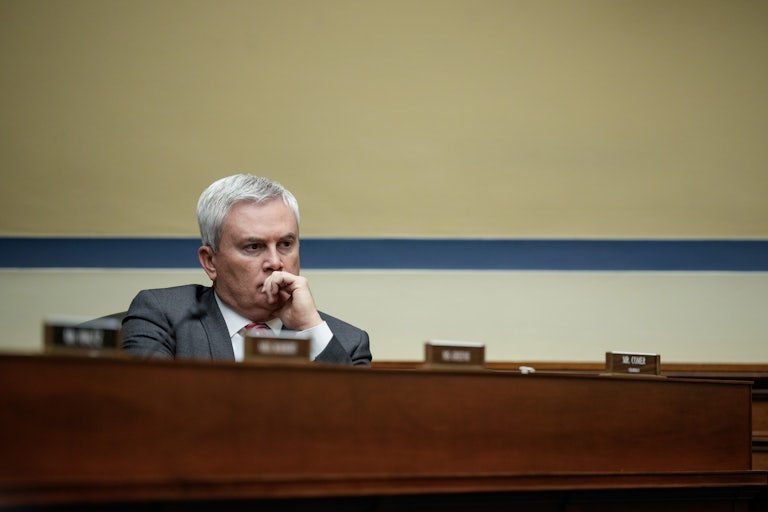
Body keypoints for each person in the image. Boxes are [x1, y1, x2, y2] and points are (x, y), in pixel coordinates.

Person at [121, 174, 372, 366]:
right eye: (254, 247)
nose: (275, 262)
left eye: (285, 244)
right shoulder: (165, 317)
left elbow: (357, 416)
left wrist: (310, 329)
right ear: (210, 262)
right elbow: (147, 406)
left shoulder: (346, 343)